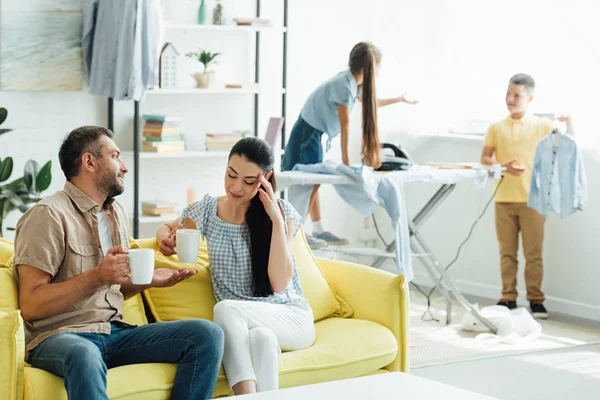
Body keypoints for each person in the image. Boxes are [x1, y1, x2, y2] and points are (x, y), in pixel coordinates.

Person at [14, 126, 224, 400]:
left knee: (206, 334)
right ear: (89, 162)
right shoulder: (48, 215)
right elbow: (30, 305)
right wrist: (97, 276)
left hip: (114, 332)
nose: (124, 167)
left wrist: (145, 282)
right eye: (115, 156)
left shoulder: (116, 214)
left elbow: (110, 289)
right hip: (60, 337)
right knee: (83, 353)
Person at [157, 137, 315, 395]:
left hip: (292, 318)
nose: (236, 186)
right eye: (231, 175)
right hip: (253, 327)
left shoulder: (283, 214)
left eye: (248, 181)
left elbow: (280, 284)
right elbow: (166, 227)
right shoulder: (208, 211)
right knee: (261, 339)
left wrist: (275, 219)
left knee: (225, 309)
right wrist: (164, 239)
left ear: (265, 179)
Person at [281, 41, 418, 249]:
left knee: (313, 182)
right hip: (308, 135)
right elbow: (345, 125)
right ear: (370, 68)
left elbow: (370, 102)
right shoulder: (344, 87)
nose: (379, 73)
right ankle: (296, 231)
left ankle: (316, 229)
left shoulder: (351, 82)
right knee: (306, 182)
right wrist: (346, 162)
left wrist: (398, 99)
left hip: (314, 134)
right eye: (379, 68)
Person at [481, 73, 573, 319]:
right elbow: (486, 158)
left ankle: (536, 299)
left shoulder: (541, 125)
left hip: (534, 200)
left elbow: (564, 139)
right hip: (503, 198)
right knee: (507, 252)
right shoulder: (496, 127)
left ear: (530, 98)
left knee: (533, 253)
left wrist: (567, 121)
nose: (511, 99)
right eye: (508, 93)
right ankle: (507, 297)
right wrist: (503, 166)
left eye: (517, 95)